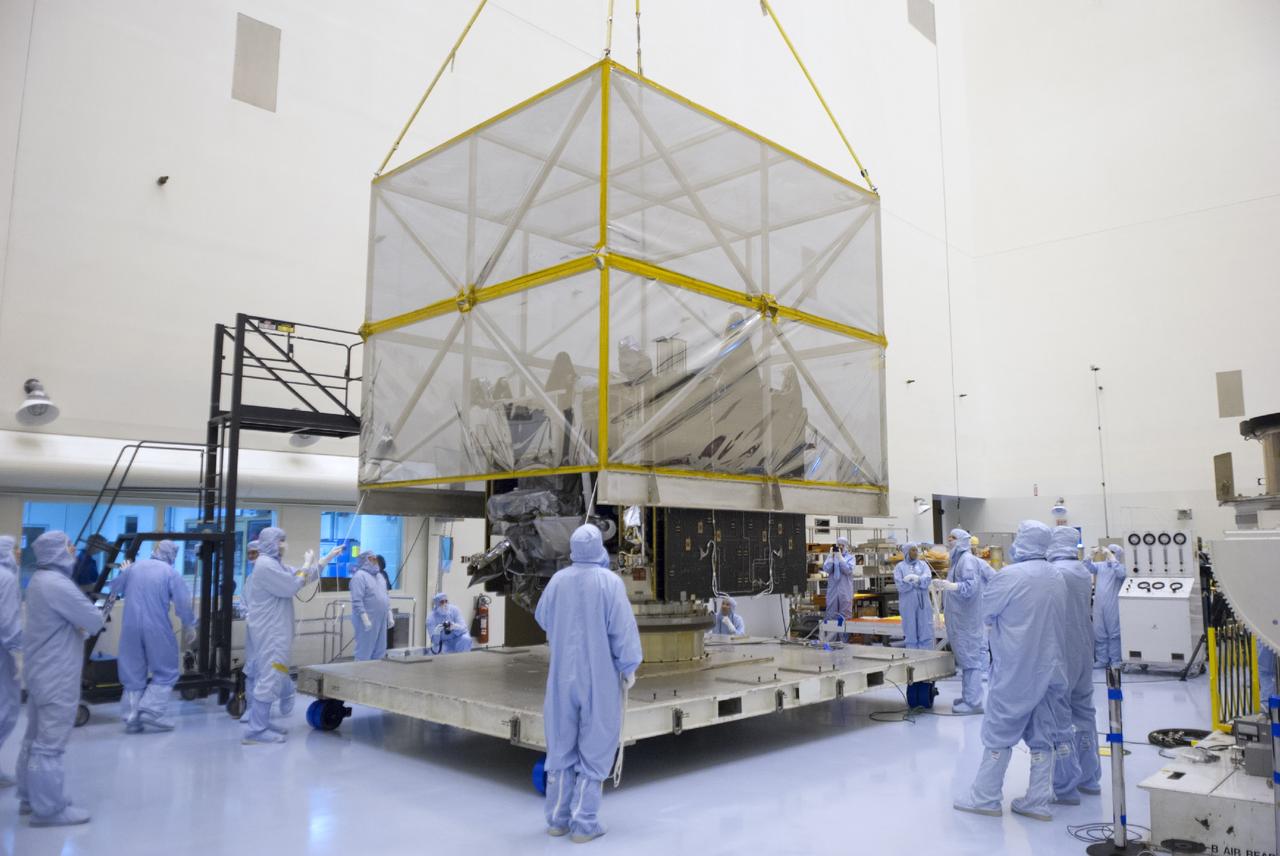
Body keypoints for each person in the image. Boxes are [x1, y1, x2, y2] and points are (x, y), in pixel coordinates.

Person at [954, 520, 1068, 822]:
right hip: (1050, 668)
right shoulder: (1056, 575)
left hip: (1017, 668)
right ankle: (1039, 801)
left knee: (999, 732)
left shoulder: (1011, 576)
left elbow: (986, 612)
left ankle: (986, 797)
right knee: (1043, 734)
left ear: (1024, 541)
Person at [535, 524, 642, 843]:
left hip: (562, 676)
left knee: (560, 743)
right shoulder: (609, 584)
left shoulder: (558, 581)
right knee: (596, 744)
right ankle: (584, 822)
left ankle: (557, 819)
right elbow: (622, 632)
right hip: (599, 676)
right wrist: (629, 665)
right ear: (599, 549)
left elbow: (542, 616)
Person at [17, 531, 105, 826]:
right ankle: (49, 809)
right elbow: (93, 620)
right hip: (56, 674)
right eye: (68, 546)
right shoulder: (57, 584)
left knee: (34, 738)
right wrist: (98, 612)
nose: (72, 550)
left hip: (40, 671)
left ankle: (30, 797)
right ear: (57, 551)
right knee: (49, 744)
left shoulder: (40, 581)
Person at [242, 527, 340, 744]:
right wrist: (306, 564)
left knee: (273, 677)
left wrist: (326, 558)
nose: (283, 545)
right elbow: (292, 586)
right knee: (268, 678)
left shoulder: (274, 564)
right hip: (271, 634)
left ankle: (262, 723)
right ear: (269, 543)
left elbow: (301, 577)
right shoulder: (265, 565)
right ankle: (256, 731)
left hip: (276, 632)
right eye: (281, 541)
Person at [114, 540, 196, 733]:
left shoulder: (135, 567)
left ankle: (131, 718)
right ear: (172, 555)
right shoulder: (170, 573)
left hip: (130, 626)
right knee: (166, 670)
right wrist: (190, 624)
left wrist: (124, 572)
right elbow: (182, 603)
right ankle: (151, 710)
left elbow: (116, 588)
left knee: (133, 673)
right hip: (156, 626)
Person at [1047, 526, 1101, 800]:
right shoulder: (1081, 569)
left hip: (1062, 650)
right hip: (1083, 649)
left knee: (1060, 715)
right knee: (1085, 713)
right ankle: (1089, 778)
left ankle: (1066, 786)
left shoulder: (1057, 572)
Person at [934, 528, 984, 714]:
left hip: (966, 620)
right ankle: (968, 697)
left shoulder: (967, 560)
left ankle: (974, 703)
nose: (949, 540)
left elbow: (971, 586)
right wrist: (945, 585)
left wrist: (952, 586)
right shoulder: (957, 561)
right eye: (949, 537)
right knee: (965, 659)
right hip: (959, 618)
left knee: (970, 660)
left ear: (962, 541)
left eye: (953, 538)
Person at [0, 536, 21, 788]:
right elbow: (7, 621)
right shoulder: (5, 579)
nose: (19, 553)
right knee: (6, 709)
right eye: (15, 549)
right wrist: (21, 650)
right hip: (3, 651)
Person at [1087, 544, 1126, 668]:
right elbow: (1085, 567)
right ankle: (1102, 659)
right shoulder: (1100, 566)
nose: (1109, 554)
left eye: (1113, 552)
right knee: (1099, 632)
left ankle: (1115, 660)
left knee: (1114, 632)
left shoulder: (1121, 567)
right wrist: (1091, 555)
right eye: (1109, 552)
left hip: (1113, 604)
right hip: (1099, 604)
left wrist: (1112, 559)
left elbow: (1121, 574)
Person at [350, 553, 393, 660]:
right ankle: (359, 675)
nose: (374, 560)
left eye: (375, 558)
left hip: (381, 619)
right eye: (371, 559)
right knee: (365, 649)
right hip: (367, 619)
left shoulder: (380, 577)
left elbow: (385, 596)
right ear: (364, 560)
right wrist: (365, 619)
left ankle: (375, 675)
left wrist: (390, 614)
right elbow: (357, 600)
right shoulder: (359, 576)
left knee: (380, 650)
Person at [894, 543, 934, 649]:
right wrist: (909, 583)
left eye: (916, 550)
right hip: (908, 603)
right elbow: (900, 586)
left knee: (925, 627)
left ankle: (927, 655)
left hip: (923, 602)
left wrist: (918, 579)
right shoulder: (899, 567)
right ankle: (912, 655)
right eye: (913, 550)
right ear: (907, 552)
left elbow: (927, 578)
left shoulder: (923, 565)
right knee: (910, 628)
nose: (915, 552)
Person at [238, 539, 260, 724]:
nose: (251, 557)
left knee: (270, 670)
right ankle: (252, 708)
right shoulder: (250, 578)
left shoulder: (273, 576)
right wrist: (246, 613)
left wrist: (320, 564)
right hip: (253, 630)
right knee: (252, 669)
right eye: (250, 553)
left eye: (255, 553)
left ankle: (286, 697)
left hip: (270, 632)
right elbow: (244, 601)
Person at [823, 537, 855, 640]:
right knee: (831, 615)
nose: (840, 547)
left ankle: (843, 641)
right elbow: (827, 569)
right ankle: (831, 641)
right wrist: (831, 556)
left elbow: (848, 570)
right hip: (833, 591)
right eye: (838, 545)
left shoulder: (850, 558)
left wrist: (840, 558)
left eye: (842, 545)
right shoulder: (832, 557)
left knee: (844, 616)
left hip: (845, 591)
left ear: (845, 546)